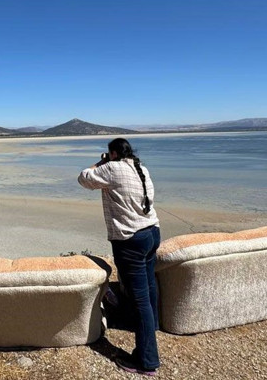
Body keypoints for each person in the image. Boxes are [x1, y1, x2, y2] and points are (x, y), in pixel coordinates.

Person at [78, 137, 161, 376]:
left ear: (113, 153)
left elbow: (84, 178)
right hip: (152, 231)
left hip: (130, 238)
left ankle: (147, 360)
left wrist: (100, 162)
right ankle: (150, 329)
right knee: (149, 285)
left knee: (139, 298)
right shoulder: (141, 168)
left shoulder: (112, 168)